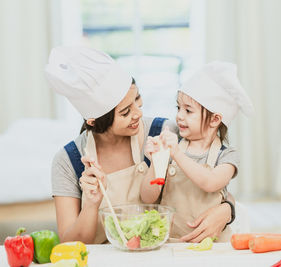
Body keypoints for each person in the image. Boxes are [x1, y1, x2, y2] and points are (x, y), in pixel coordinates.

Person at [45, 46, 235, 244]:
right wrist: (92, 204)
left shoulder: (165, 133)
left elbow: (214, 183)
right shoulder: (68, 161)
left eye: (137, 99)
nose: (138, 113)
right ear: (93, 121)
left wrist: (228, 210)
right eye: (126, 112)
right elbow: (70, 243)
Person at [141, 61, 254, 242]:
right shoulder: (173, 144)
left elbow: (210, 182)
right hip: (171, 242)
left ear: (215, 119)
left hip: (213, 246)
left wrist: (176, 154)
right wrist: (156, 162)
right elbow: (147, 197)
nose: (179, 115)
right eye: (178, 108)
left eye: (188, 110)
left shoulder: (226, 156)